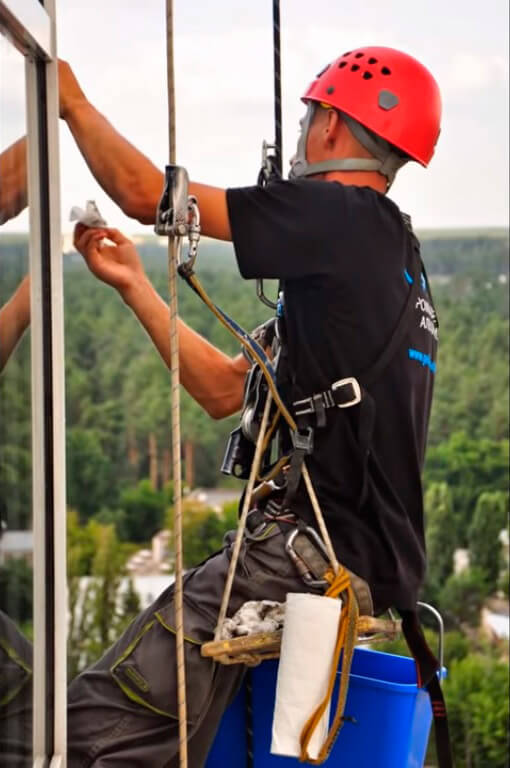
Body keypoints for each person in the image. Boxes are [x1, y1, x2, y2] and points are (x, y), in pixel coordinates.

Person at [63, 47, 442, 766]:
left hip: (302, 555)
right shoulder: (389, 260)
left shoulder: (338, 216)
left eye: (308, 118)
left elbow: (147, 194)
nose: (301, 135)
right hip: (351, 558)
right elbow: (222, 391)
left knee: (102, 722)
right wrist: (134, 285)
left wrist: (70, 102)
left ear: (331, 123)